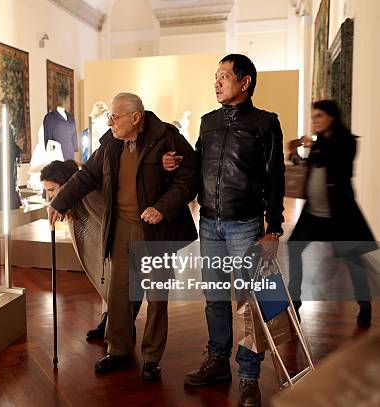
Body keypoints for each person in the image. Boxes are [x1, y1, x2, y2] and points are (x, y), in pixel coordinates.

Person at [48, 92, 198, 381]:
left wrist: (162, 208)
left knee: (156, 296)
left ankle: (152, 357)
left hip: (156, 228)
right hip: (122, 226)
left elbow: (189, 177)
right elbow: (86, 176)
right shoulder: (111, 143)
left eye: (115, 117)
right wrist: (59, 202)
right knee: (118, 292)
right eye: (109, 116)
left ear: (136, 118)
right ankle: (119, 350)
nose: (110, 122)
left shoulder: (167, 138)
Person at [165, 54, 285, 406]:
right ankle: (217, 361)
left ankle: (249, 375)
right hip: (209, 222)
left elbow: (275, 178)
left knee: (250, 302)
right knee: (215, 297)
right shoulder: (207, 122)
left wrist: (273, 228)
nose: (216, 82)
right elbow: (198, 163)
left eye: (224, 76)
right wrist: (174, 163)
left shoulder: (265, 123)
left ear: (244, 82)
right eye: (215, 76)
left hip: (245, 224)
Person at [287, 100, 376, 327]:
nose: (314, 120)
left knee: (353, 259)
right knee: (294, 247)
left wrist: (314, 143)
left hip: (339, 215)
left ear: (332, 117)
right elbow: (311, 167)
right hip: (313, 214)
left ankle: (364, 304)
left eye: (319, 116)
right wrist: (295, 155)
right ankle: (294, 300)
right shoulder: (319, 144)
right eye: (313, 116)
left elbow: (338, 164)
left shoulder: (347, 142)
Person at [40, 160, 142, 340]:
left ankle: (123, 328)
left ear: (65, 185)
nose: (50, 197)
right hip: (116, 248)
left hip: (129, 244)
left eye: (51, 190)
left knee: (121, 285)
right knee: (109, 281)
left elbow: (109, 219)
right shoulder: (74, 200)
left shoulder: (88, 195)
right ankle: (108, 322)